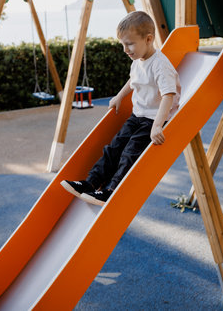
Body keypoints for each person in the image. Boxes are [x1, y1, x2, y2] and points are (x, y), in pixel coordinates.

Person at [61, 11, 181, 206]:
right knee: (114, 148)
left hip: (153, 120)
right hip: (138, 115)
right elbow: (133, 80)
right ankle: (91, 183)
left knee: (130, 152)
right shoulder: (138, 61)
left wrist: (158, 125)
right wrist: (119, 96)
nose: (125, 49)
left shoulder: (160, 65)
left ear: (148, 39)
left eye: (130, 44)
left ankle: (111, 190)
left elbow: (169, 95)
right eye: (123, 44)